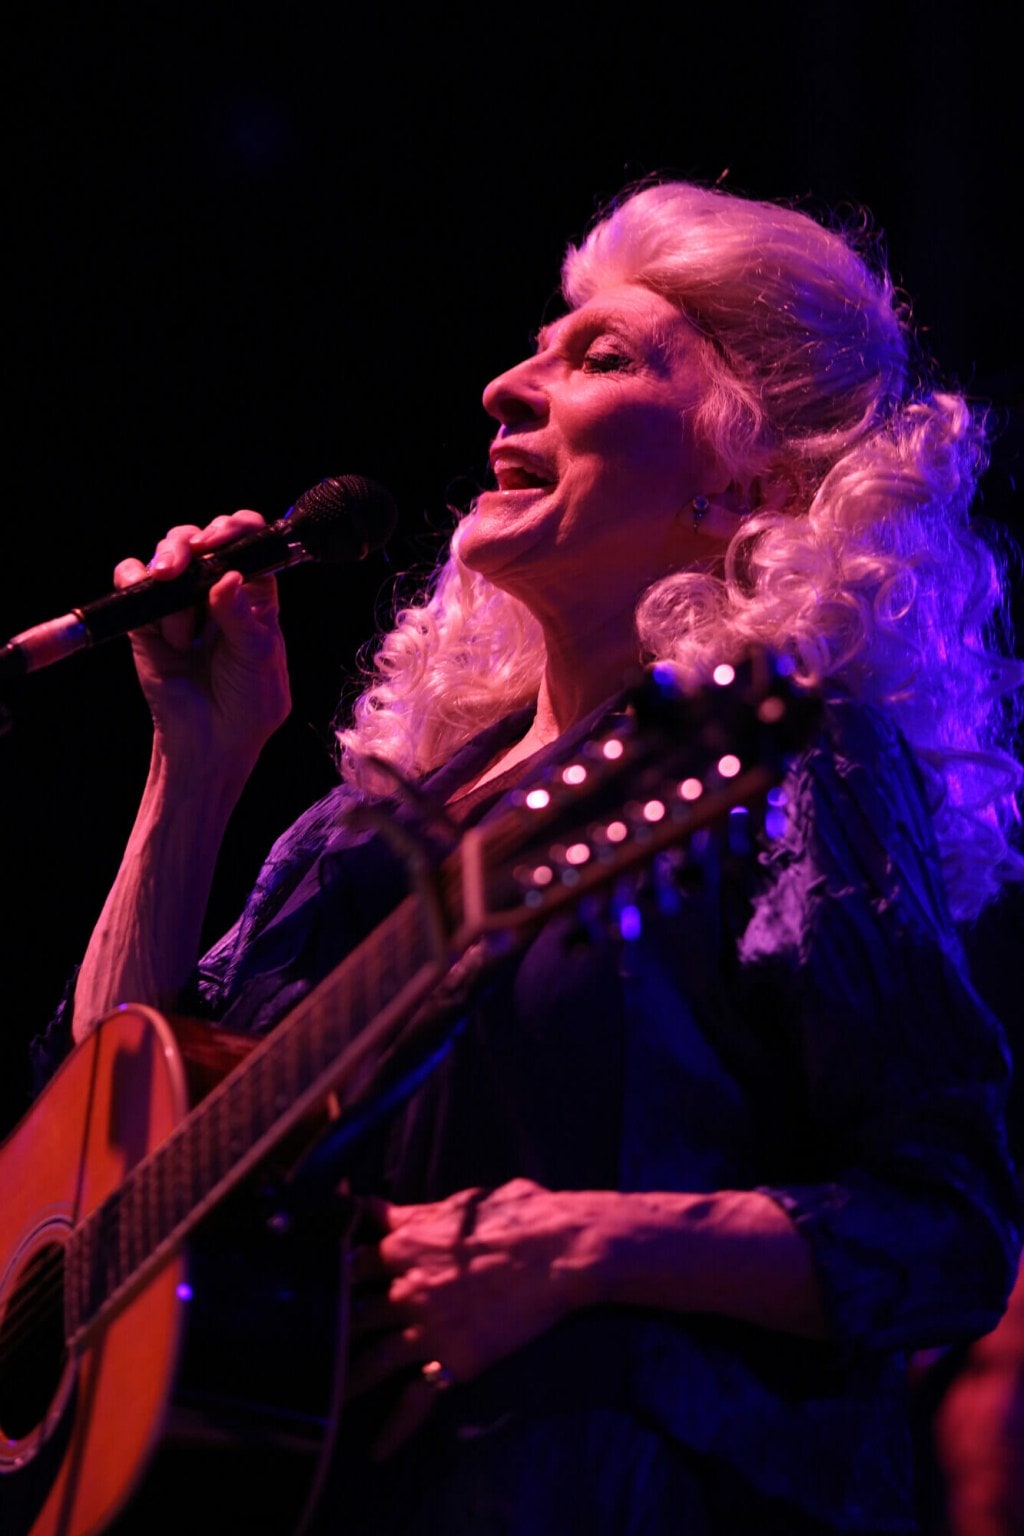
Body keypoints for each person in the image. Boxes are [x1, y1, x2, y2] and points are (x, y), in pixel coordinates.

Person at [34, 181, 1023, 1534]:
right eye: (537, 347)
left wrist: (571, 1248)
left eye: (601, 358)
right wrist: (192, 763)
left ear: (757, 478)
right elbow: (100, 1176)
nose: (502, 386)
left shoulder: (794, 765)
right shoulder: (376, 823)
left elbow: (948, 1228)